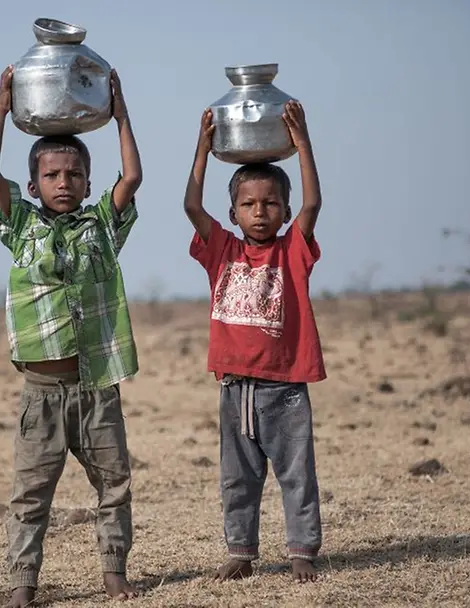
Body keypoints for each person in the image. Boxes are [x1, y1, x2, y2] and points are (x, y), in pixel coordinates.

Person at [0, 65, 143, 607]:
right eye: (52, 176)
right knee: (30, 496)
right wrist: (2, 106)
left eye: (74, 175)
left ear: (88, 182)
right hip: (41, 396)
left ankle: (114, 573)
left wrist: (119, 113)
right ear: (34, 185)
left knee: (114, 485)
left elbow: (133, 178)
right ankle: (23, 585)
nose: (64, 184)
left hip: (96, 389)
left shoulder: (101, 227)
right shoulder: (21, 226)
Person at [183, 101, 325, 583]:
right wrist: (202, 149)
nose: (259, 212)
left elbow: (313, 205)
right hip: (234, 390)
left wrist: (302, 143)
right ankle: (240, 553)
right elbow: (190, 207)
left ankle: (302, 552)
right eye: (248, 204)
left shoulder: (292, 251)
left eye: (269, 204)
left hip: (284, 392)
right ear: (233, 212)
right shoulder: (222, 249)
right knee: (237, 480)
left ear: (283, 211)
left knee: (296, 476)